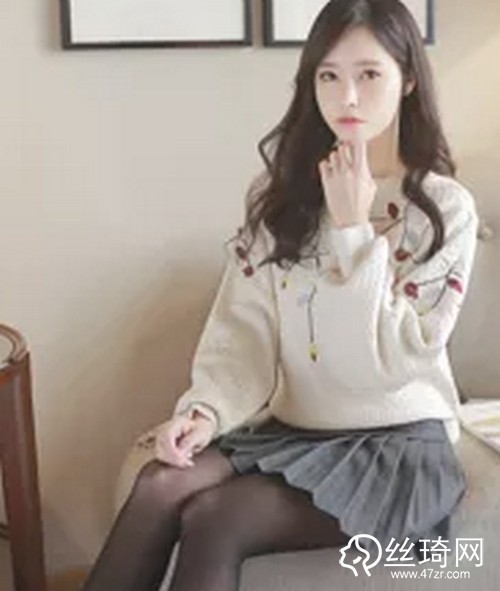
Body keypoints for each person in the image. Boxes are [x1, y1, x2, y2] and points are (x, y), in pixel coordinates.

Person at [81, 1, 479, 590]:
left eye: (369, 74)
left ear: (408, 80)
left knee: (217, 518)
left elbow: (397, 362)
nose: (347, 97)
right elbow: (244, 332)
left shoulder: (444, 209)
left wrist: (353, 232)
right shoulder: (285, 199)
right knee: (160, 483)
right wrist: (205, 411)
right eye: (329, 75)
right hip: (302, 429)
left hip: (397, 445)